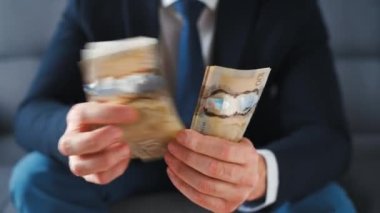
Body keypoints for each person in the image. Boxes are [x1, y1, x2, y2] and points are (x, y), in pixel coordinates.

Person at [10, 0, 356, 212]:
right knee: (33, 178)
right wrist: (74, 131)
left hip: (236, 165)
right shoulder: (96, 2)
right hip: (125, 161)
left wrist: (260, 175)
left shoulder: (288, 7)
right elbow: (33, 110)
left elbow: (326, 134)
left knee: (326, 201)